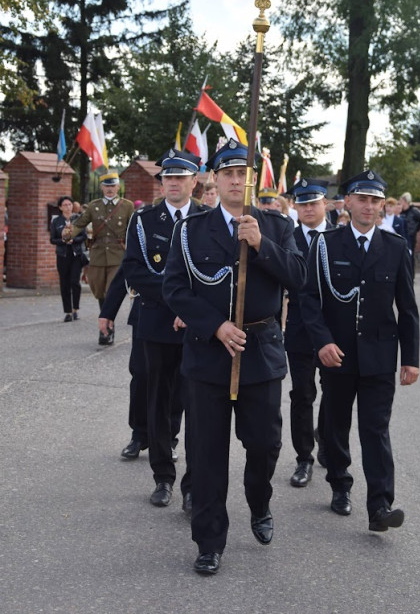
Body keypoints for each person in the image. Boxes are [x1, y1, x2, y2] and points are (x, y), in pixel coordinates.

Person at [162, 138, 306, 576]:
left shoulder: (278, 226)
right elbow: (174, 288)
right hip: (208, 355)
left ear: (253, 179)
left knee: (264, 443)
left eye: (243, 173)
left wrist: (262, 244)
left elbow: (299, 278)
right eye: (228, 173)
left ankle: (259, 502)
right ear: (214, 179)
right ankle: (209, 540)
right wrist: (215, 325)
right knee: (206, 453)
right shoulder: (190, 230)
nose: (236, 180)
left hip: (260, 352)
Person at [301, 169, 420, 532]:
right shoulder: (325, 245)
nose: (368, 207)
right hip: (338, 354)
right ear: (347, 202)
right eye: (362, 199)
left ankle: (381, 506)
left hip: (380, 356)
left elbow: (408, 307)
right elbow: (308, 299)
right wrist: (322, 341)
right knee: (336, 426)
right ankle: (340, 484)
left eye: (375, 201)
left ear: (382, 206)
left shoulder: (396, 247)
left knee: (376, 430)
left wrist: (411, 359)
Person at [123, 148, 208, 513]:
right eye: (167, 178)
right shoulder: (144, 220)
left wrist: (191, 311)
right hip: (157, 324)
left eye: (180, 177)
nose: (173, 183)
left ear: (194, 182)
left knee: (198, 406)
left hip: (199, 328)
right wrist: (178, 304)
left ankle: (193, 484)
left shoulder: (208, 219)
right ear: (162, 183)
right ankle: (163, 477)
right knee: (157, 402)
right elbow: (134, 271)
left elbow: (218, 274)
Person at [285, 178, 332, 488]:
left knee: (334, 394)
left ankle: (328, 442)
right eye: (302, 204)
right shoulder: (287, 239)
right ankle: (304, 457)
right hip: (300, 331)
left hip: (333, 333)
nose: (308, 209)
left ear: (324, 204)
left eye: (313, 203)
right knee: (302, 394)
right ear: (295, 207)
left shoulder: (340, 237)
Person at [62, 172, 134, 344]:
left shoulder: (127, 206)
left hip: (118, 255)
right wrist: (68, 233)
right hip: (98, 255)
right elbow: (79, 224)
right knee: (99, 291)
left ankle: (108, 329)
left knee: (111, 291)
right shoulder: (94, 206)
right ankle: (106, 320)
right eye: (106, 186)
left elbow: (133, 229)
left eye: (113, 186)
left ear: (118, 187)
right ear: (102, 187)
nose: (110, 189)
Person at [98, 265, 147, 459]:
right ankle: (138, 435)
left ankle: (169, 438)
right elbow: (129, 268)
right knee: (140, 374)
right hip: (145, 311)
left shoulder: (188, 233)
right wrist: (108, 311)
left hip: (177, 314)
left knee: (174, 380)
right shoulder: (141, 232)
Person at [50, 196, 87, 322]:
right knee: (64, 283)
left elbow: (84, 236)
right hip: (62, 255)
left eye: (69, 204)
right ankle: (68, 312)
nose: (68, 207)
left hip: (76, 255)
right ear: (60, 207)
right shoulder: (56, 221)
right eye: (65, 205)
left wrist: (73, 240)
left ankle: (75, 309)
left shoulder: (78, 219)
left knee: (74, 282)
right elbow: (52, 239)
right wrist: (63, 241)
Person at [399, 192, 420, 277]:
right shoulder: (401, 212)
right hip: (402, 235)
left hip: (410, 236)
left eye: (401, 200)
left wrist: (415, 230)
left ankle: (411, 275)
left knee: (410, 256)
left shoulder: (414, 211)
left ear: (406, 201)